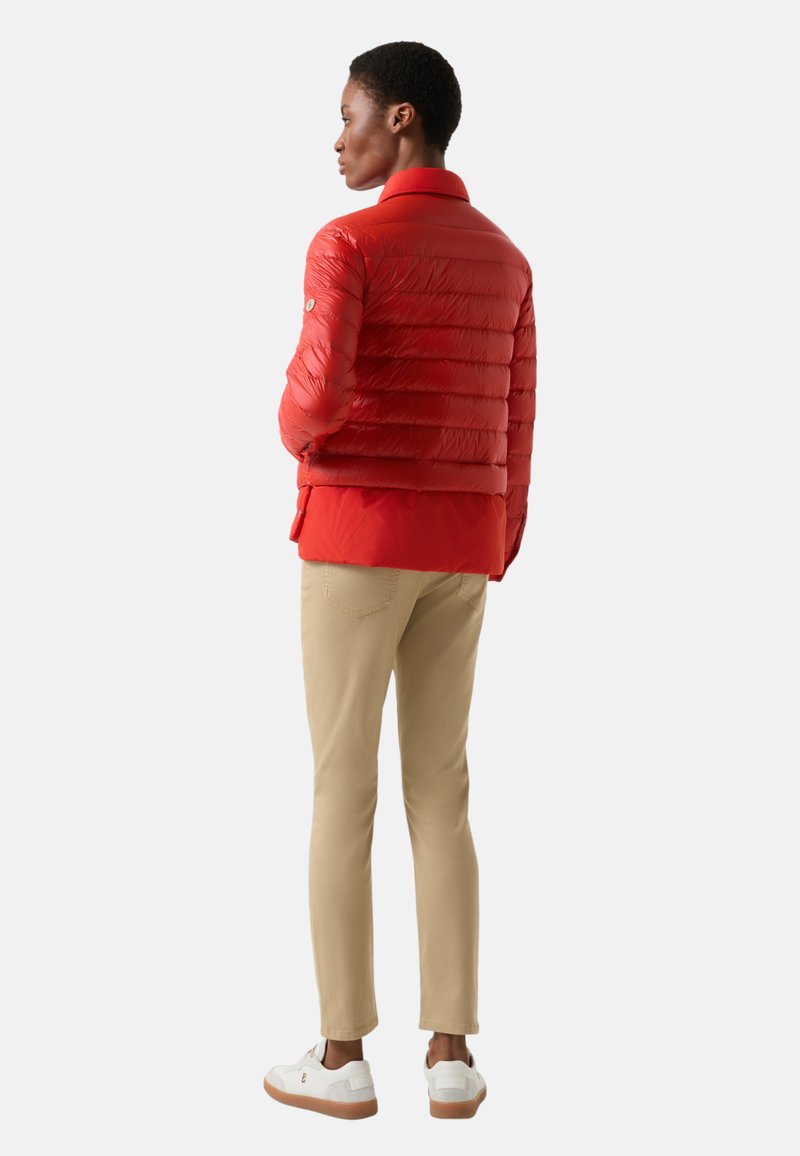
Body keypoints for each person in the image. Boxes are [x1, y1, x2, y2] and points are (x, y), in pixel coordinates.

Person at [263, 40, 537, 1120]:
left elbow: (313, 401)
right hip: (461, 543)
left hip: (356, 539)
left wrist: (289, 428)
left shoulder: (346, 244)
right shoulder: (507, 260)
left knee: (344, 786)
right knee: (441, 787)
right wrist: (495, 536)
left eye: (350, 117)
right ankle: (450, 1053)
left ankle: (341, 1056)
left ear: (402, 120)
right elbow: (518, 418)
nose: (338, 140)